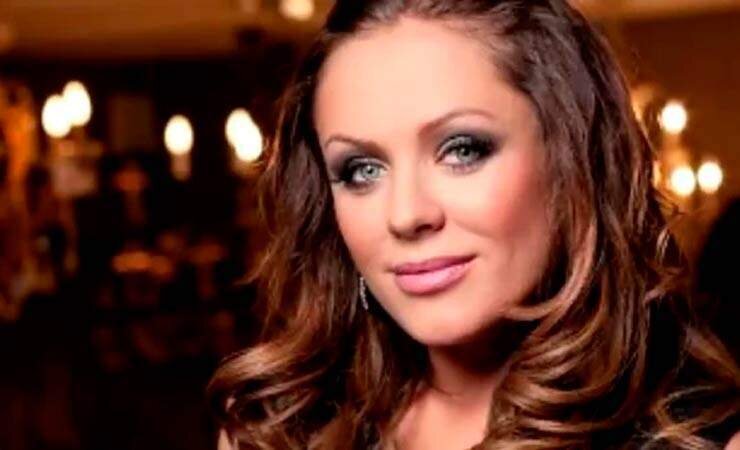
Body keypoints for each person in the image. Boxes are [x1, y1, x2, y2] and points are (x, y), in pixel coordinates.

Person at [208, 1, 740, 448]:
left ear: (572, 163)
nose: (406, 215)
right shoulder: (276, 431)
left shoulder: (701, 438)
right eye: (361, 170)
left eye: (462, 149)